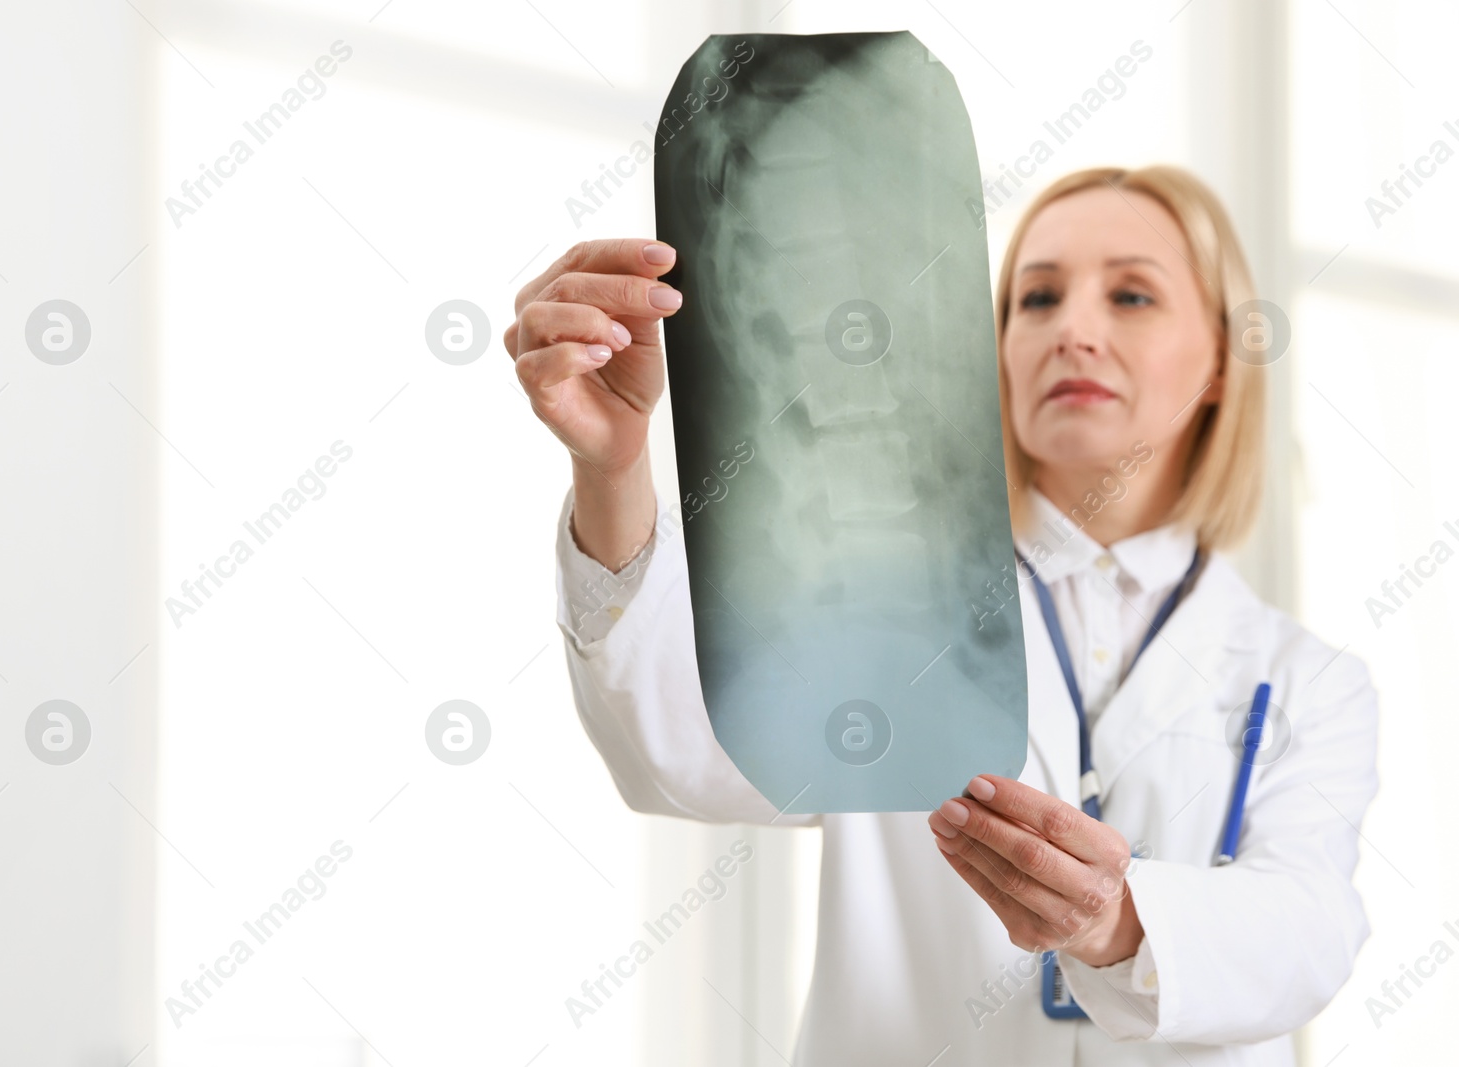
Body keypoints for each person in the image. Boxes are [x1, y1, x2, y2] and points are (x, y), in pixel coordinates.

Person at [503, 165, 1380, 1065]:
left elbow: (1310, 927)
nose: (1073, 330)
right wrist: (612, 472)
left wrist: (1117, 920)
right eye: (1037, 298)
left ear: (1224, 364)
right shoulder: (882, 607)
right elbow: (681, 756)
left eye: (1131, 294)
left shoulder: (1308, 680)